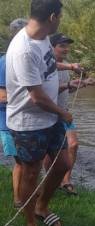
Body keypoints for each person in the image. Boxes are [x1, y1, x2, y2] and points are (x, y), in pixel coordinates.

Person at [6, 1, 69, 226]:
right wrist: (64, 113)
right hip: (29, 122)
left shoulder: (42, 37)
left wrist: (70, 68)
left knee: (62, 164)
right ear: (52, 17)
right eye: (60, 16)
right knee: (31, 173)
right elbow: (37, 98)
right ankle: (30, 220)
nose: (60, 19)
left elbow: (48, 65)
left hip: (50, 118)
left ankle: (42, 207)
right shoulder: (24, 49)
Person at [44, 33, 95, 195]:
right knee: (50, 151)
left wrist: (82, 84)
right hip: (49, 112)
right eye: (62, 46)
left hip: (64, 112)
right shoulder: (46, 65)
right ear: (51, 47)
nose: (66, 49)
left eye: (67, 46)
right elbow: (47, 91)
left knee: (73, 145)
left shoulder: (66, 66)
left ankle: (66, 181)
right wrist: (67, 84)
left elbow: (67, 90)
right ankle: (51, 179)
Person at [0, 18, 28, 209]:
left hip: (24, 119)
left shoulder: (23, 57)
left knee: (28, 161)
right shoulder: (6, 61)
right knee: (21, 161)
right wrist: (32, 99)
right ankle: (19, 200)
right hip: (8, 122)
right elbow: (2, 96)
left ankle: (26, 195)